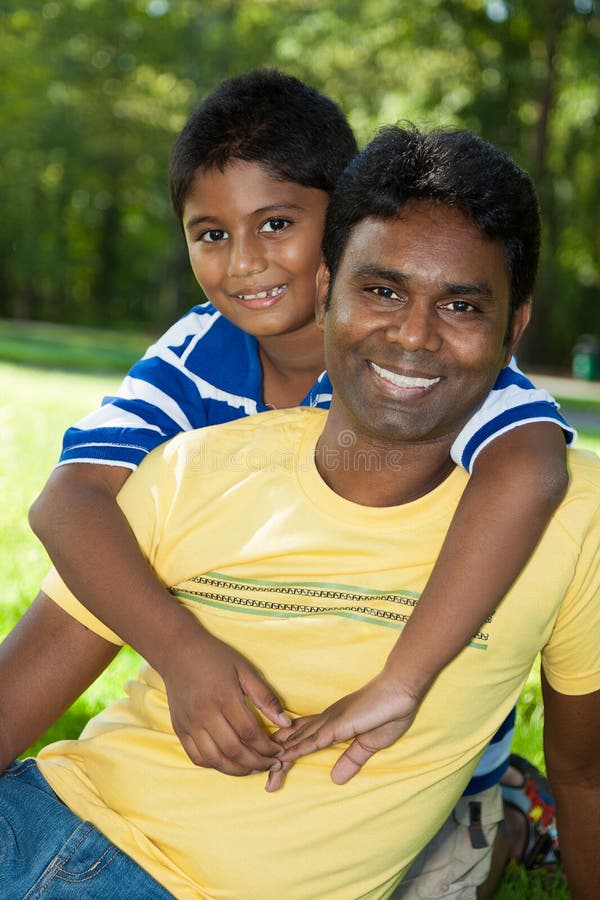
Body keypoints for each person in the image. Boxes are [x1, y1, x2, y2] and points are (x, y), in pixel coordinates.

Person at [2, 124, 598, 900]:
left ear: (514, 325)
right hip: (38, 818)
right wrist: (183, 651)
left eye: (461, 305)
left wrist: (404, 680)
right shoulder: (191, 460)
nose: (413, 335)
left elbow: (586, 772)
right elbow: (60, 533)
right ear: (328, 290)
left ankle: (499, 813)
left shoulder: (563, 504)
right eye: (381, 290)